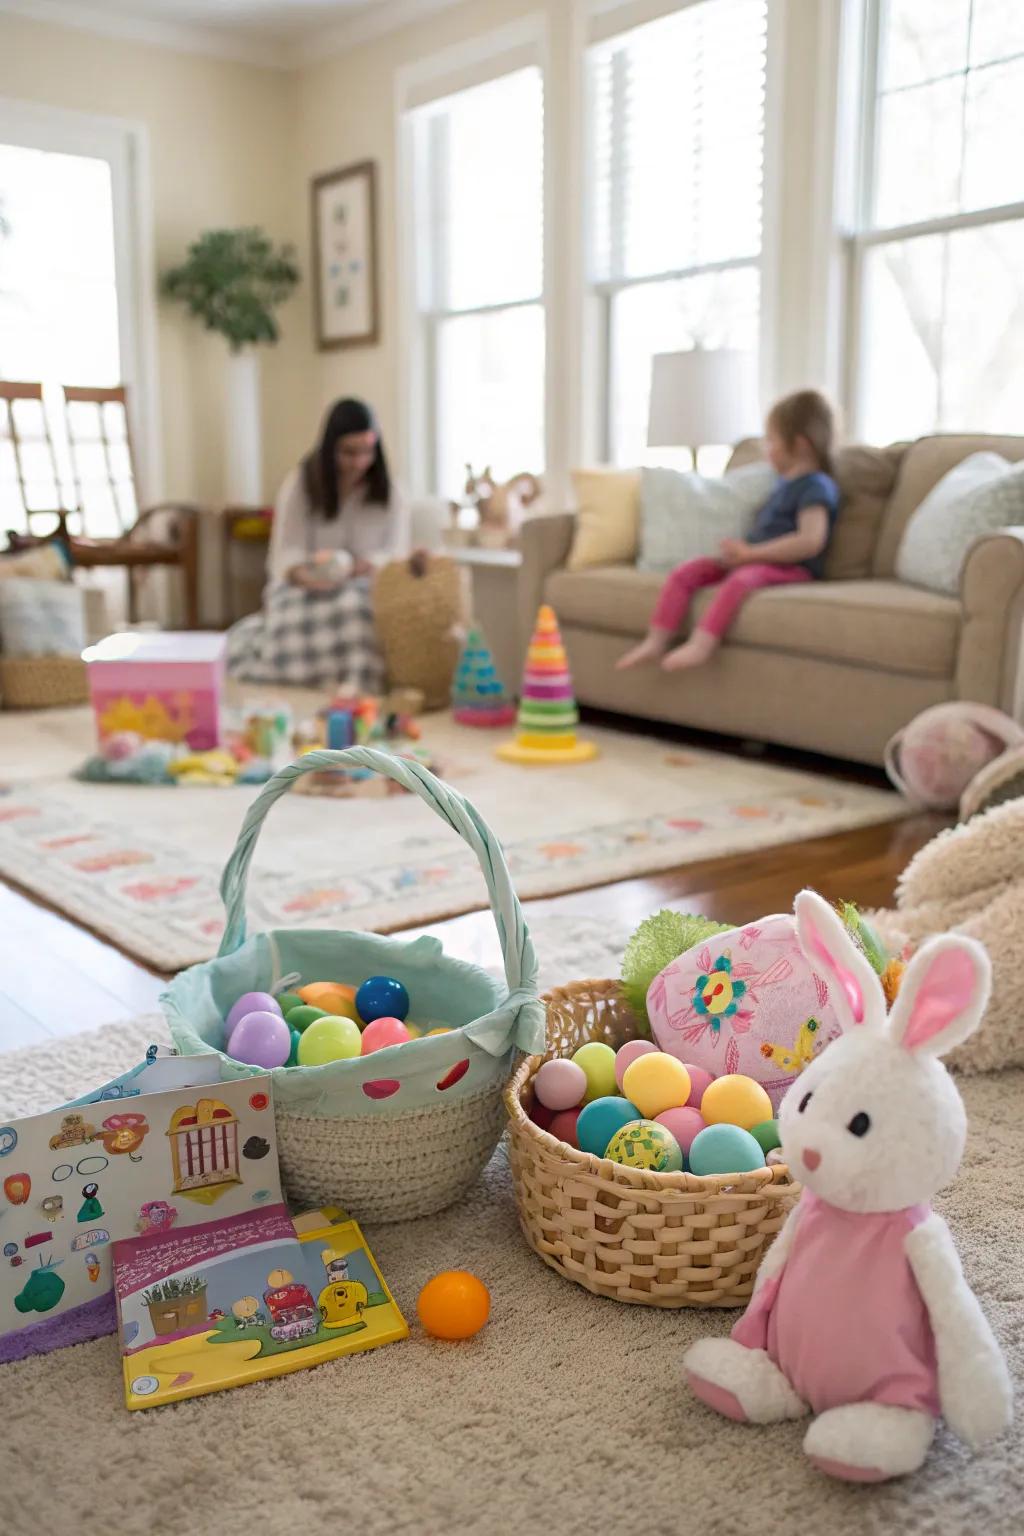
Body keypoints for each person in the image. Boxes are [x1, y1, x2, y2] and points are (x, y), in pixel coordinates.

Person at [617, 390, 840, 673]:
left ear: (799, 444)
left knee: (739, 581)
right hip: (752, 557)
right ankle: (656, 640)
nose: (766, 449)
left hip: (791, 568)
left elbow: (810, 540)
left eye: (771, 441)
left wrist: (751, 554)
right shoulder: (780, 483)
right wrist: (741, 552)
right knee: (689, 570)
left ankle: (701, 645)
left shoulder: (816, 486)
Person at [228, 398, 410, 688]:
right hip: (305, 586)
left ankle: (356, 685)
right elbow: (284, 555)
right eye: (349, 453)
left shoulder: (390, 492)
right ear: (331, 448)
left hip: (364, 584)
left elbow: (395, 553)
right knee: (289, 622)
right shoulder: (301, 484)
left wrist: (366, 566)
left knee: (356, 610)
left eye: (366, 452)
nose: (359, 462)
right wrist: (308, 576)